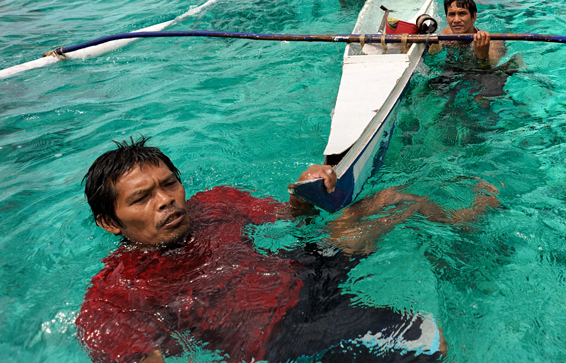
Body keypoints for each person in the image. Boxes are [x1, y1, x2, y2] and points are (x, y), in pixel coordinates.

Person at [76, 137, 498, 363]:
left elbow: (296, 219)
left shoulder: (216, 204)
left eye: (169, 184)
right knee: (429, 341)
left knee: (392, 200)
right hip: (280, 338)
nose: (166, 200)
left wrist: (305, 189)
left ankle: (462, 222)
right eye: (141, 198)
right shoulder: (114, 295)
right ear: (109, 222)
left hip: (302, 270)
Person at [428, 0, 506, 66]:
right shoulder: (447, 33)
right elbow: (431, 57)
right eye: (452, 14)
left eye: (462, 13)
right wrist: (434, 42)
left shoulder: (492, 43)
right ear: (447, 19)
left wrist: (483, 56)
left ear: (473, 17)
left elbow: (490, 71)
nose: (456, 20)